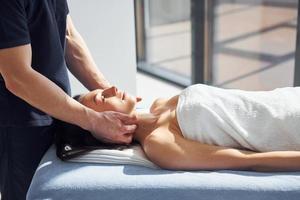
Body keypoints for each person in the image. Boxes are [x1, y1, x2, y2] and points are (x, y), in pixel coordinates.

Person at [0, 0, 138, 199]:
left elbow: (68, 35)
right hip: (21, 123)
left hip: (59, 111)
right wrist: (94, 120)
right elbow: (17, 76)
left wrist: (109, 92)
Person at [76, 85, 300, 172]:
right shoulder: (160, 144)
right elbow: (246, 160)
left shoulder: (160, 103)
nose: (111, 88)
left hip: (289, 97)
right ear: (105, 127)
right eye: (100, 98)